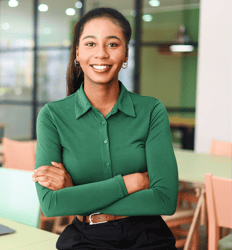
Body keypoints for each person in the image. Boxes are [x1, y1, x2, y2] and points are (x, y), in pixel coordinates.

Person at [32, 7, 179, 250]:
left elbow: (164, 199)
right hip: (86, 238)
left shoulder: (151, 111)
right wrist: (129, 184)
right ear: (77, 53)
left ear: (126, 54)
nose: (101, 54)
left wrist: (76, 195)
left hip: (149, 237)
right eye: (90, 44)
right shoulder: (53, 116)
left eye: (112, 44)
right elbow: (51, 205)